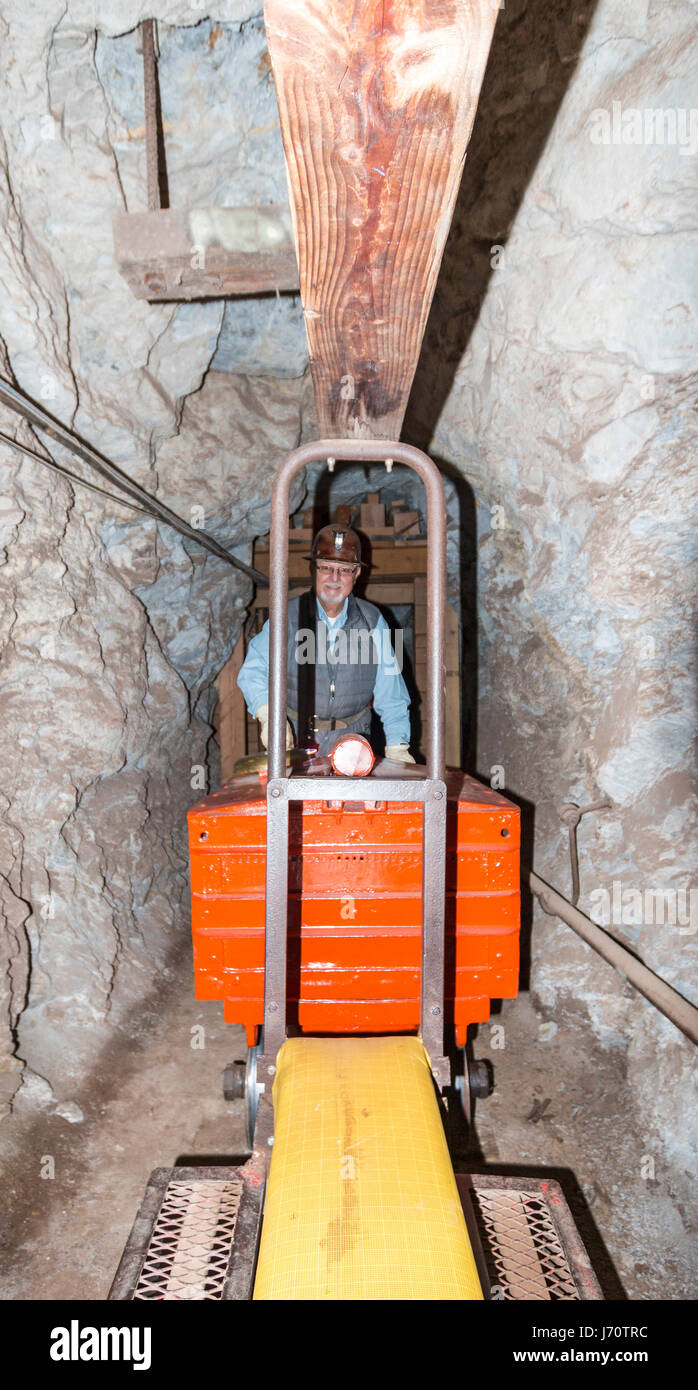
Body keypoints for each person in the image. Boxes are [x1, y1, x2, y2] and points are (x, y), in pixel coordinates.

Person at [237, 524, 415, 760]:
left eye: (344, 570)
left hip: (354, 746)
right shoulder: (287, 617)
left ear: (357, 574)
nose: (334, 578)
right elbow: (253, 670)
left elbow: (392, 693)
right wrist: (269, 716)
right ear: (314, 570)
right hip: (294, 742)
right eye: (326, 568)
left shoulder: (373, 621)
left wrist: (397, 746)